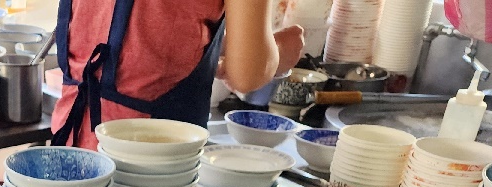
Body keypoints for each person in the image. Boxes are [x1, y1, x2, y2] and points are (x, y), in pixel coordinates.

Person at [52, 0, 306, 148]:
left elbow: (148, 28)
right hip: (150, 162)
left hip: (70, 146)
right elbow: (247, 75)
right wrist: (283, 49)